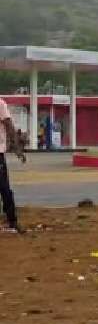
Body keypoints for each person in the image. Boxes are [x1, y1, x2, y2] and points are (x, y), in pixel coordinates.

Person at [0, 97, 28, 233]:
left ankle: (12, 220)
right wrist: (17, 149)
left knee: (4, 189)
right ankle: (12, 221)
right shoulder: (0, 103)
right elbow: (9, 125)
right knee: (4, 189)